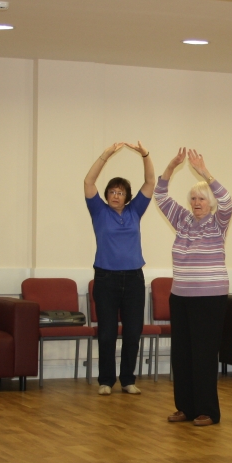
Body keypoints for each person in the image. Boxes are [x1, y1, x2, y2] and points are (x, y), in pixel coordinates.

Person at [154, 148, 232, 426]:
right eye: (193, 198)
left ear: (209, 202)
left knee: (204, 355)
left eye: (201, 198)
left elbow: (228, 202)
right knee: (182, 354)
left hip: (210, 298)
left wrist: (205, 173)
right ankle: (185, 408)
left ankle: (207, 410)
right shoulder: (183, 220)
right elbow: (160, 195)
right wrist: (171, 166)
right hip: (181, 296)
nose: (196, 202)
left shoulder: (218, 223)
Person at [84, 141, 156, 395]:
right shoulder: (99, 211)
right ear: (106, 195)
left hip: (134, 278)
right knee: (107, 333)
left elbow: (150, 182)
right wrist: (105, 155)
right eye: (112, 192)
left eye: (121, 192)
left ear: (127, 197)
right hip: (106, 279)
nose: (116, 195)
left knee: (133, 332)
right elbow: (88, 181)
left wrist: (145, 155)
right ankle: (106, 381)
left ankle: (127, 380)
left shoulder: (135, 211)